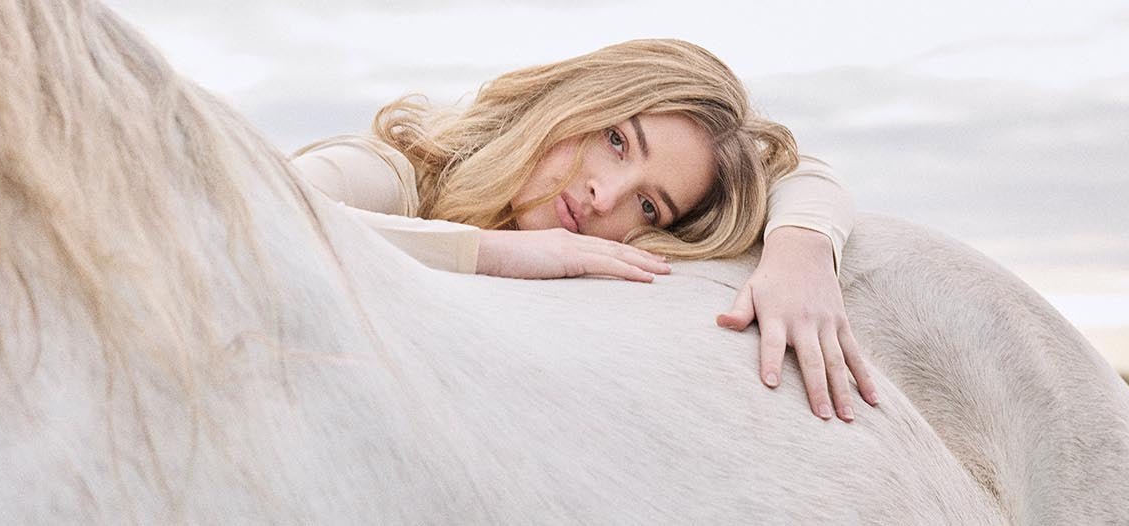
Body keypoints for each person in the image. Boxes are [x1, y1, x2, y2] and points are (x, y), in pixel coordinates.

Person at [290, 39, 877, 423]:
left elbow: (798, 172)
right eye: (616, 140)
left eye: (649, 207)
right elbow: (256, 217)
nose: (607, 196)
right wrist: (493, 253)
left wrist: (801, 248)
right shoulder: (391, 171)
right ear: (574, 100)